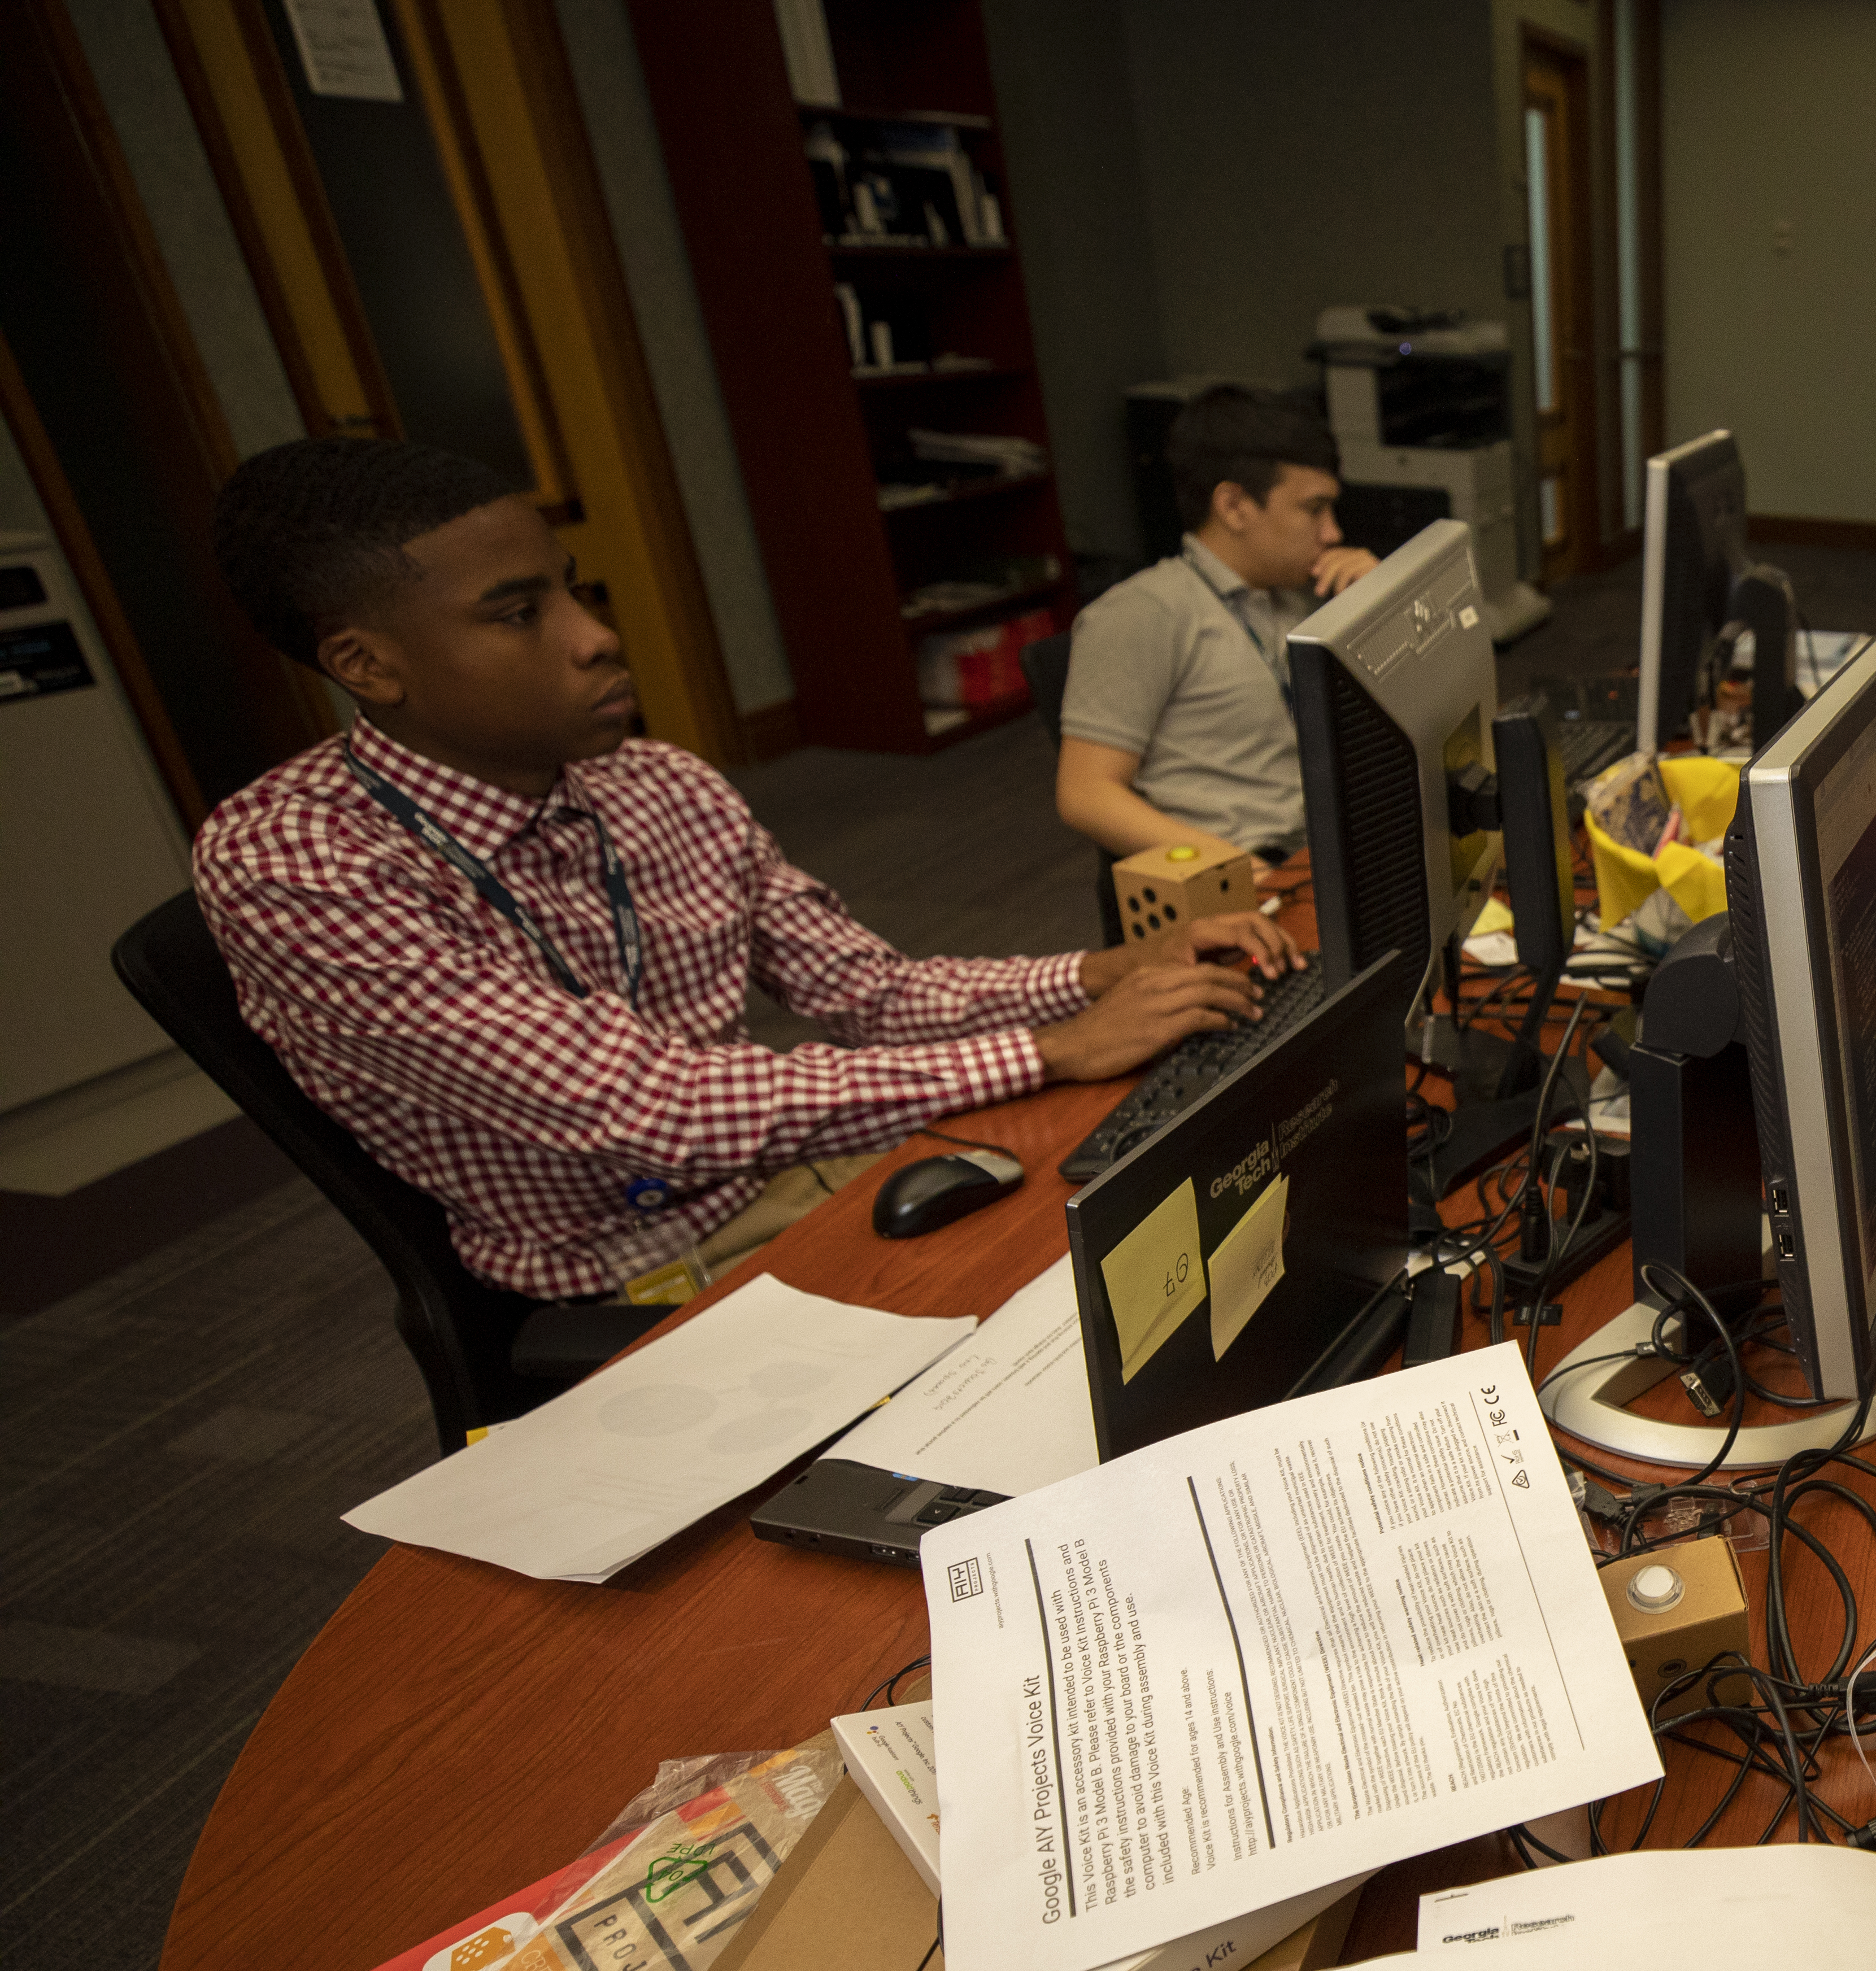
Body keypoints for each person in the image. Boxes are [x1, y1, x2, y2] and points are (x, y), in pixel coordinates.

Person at [196, 435, 1298, 1309]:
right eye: (522, 614)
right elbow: (645, 1111)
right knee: (1111, 1312)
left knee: (1222, 1197)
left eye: (577, 593)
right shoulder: (299, 864)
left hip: (788, 1174)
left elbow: (872, 995)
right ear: (366, 663)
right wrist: (1051, 1048)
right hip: (624, 1264)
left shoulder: (656, 782)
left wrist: (1098, 977)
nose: (596, 639)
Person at [1056, 386, 1377, 866]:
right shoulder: (1144, 614)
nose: (1333, 533)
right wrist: (1242, 871)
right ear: (1233, 507)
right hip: (1242, 871)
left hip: (1326, 848)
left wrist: (1382, 605)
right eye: (1313, 509)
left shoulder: (1307, 595)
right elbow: (1086, 794)